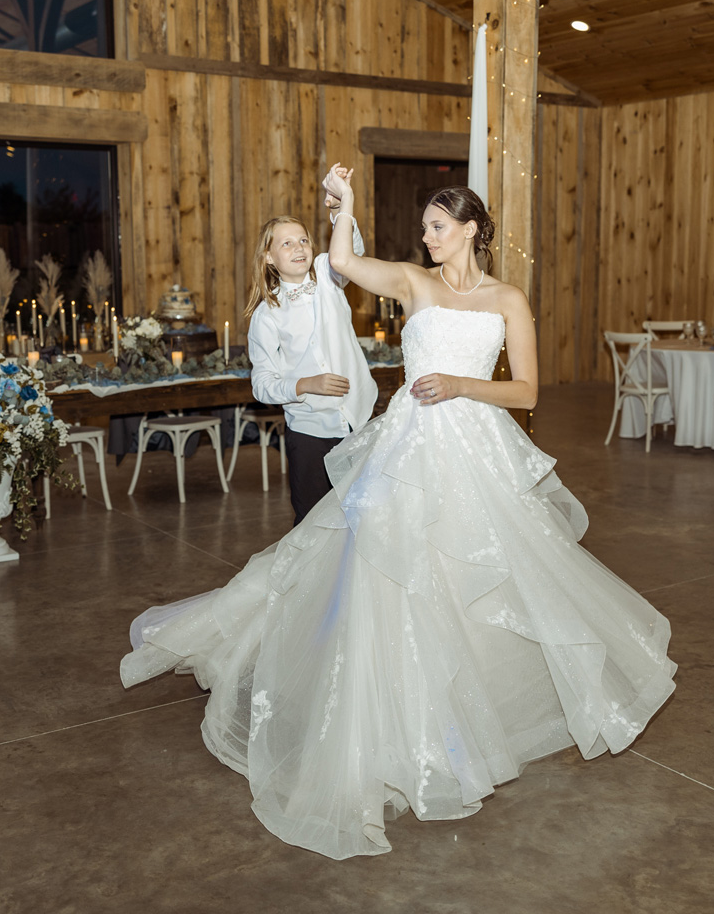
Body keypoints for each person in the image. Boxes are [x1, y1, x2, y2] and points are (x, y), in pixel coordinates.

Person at [121, 169, 677, 860]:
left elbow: (527, 388)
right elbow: (347, 262)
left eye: (438, 226)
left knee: (480, 573)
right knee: (388, 573)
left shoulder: (509, 298)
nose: (427, 237)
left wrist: (462, 386)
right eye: (423, 229)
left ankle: (471, 713)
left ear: (472, 228)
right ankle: (392, 720)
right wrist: (345, 206)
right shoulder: (414, 281)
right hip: (408, 447)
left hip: (475, 447)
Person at [244, 211, 376, 524]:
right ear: (269, 257)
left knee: (361, 517)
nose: (299, 247)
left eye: (303, 240)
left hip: (358, 420)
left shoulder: (329, 277)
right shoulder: (267, 315)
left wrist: (339, 211)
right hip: (309, 432)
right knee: (313, 523)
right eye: (287, 244)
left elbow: (351, 254)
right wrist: (304, 385)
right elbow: (261, 385)